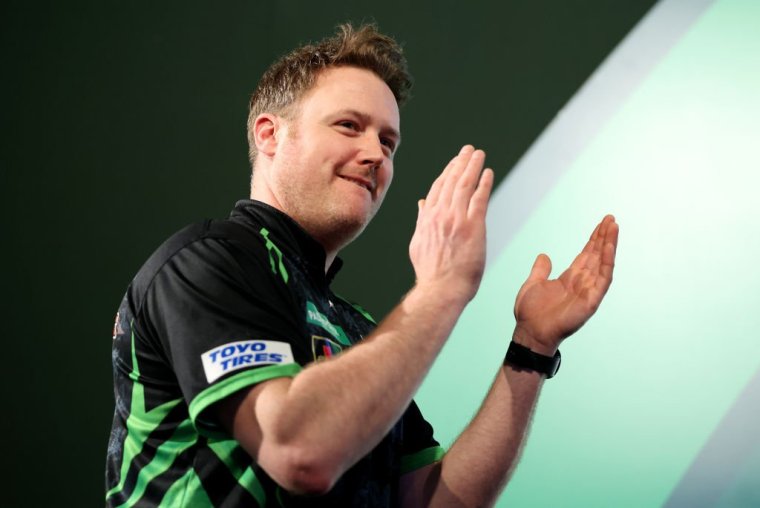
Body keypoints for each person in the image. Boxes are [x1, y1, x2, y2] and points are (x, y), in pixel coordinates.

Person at [105, 23, 619, 507]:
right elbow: (300, 451)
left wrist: (531, 347)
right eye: (349, 126)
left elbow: (432, 499)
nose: (375, 153)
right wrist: (441, 288)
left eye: (388, 142)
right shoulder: (206, 264)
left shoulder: (358, 329)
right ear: (269, 135)